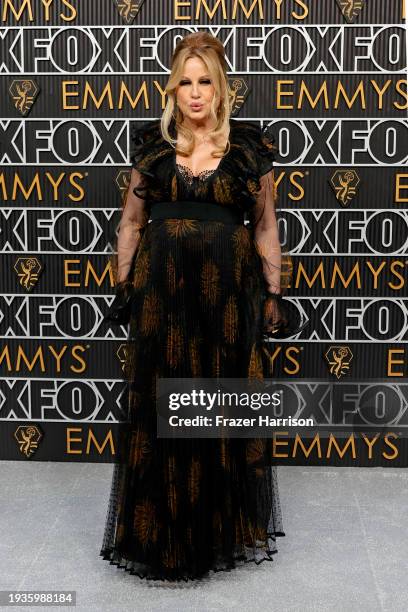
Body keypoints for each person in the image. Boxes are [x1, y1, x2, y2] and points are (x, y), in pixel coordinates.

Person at [99, 31, 292, 582]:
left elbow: (265, 228)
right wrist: (123, 288)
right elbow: (132, 225)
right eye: (185, 81)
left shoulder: (248, 151)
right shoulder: (154, 150)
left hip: (226, 303)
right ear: (172, 89)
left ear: (222, 87)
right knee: (164, 413)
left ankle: (216, 533)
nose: (195, 92)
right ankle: (163, 532)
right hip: (162, 301)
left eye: (205, 80)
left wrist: (273, 295)